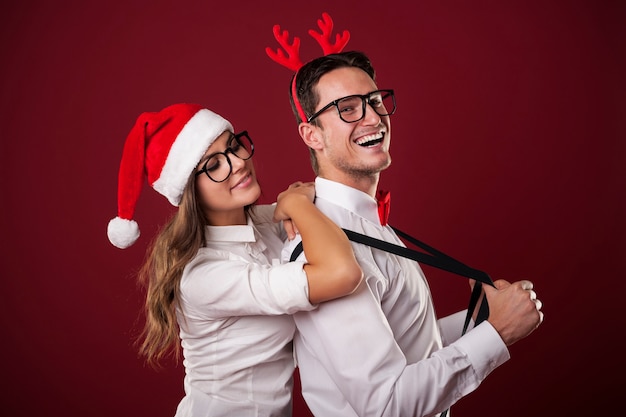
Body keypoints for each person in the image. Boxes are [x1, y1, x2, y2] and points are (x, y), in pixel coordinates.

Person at [281, 51, 544, 416]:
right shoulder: (320, 251)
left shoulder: (369, 224)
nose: (373, 117)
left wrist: (480, 319)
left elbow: (406, 347)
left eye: (374, 101)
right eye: (348, 108)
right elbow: (387, 406)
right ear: (312, 135)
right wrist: (498, 332)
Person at [106, 103, 362, 417]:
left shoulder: (261, 224)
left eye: (234, 146)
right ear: (191, 193)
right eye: (214, 165)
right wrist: (295, 203)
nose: (238, 163)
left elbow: (314, 196)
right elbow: (342, 273)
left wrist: (294, 199)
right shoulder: (203, 276)